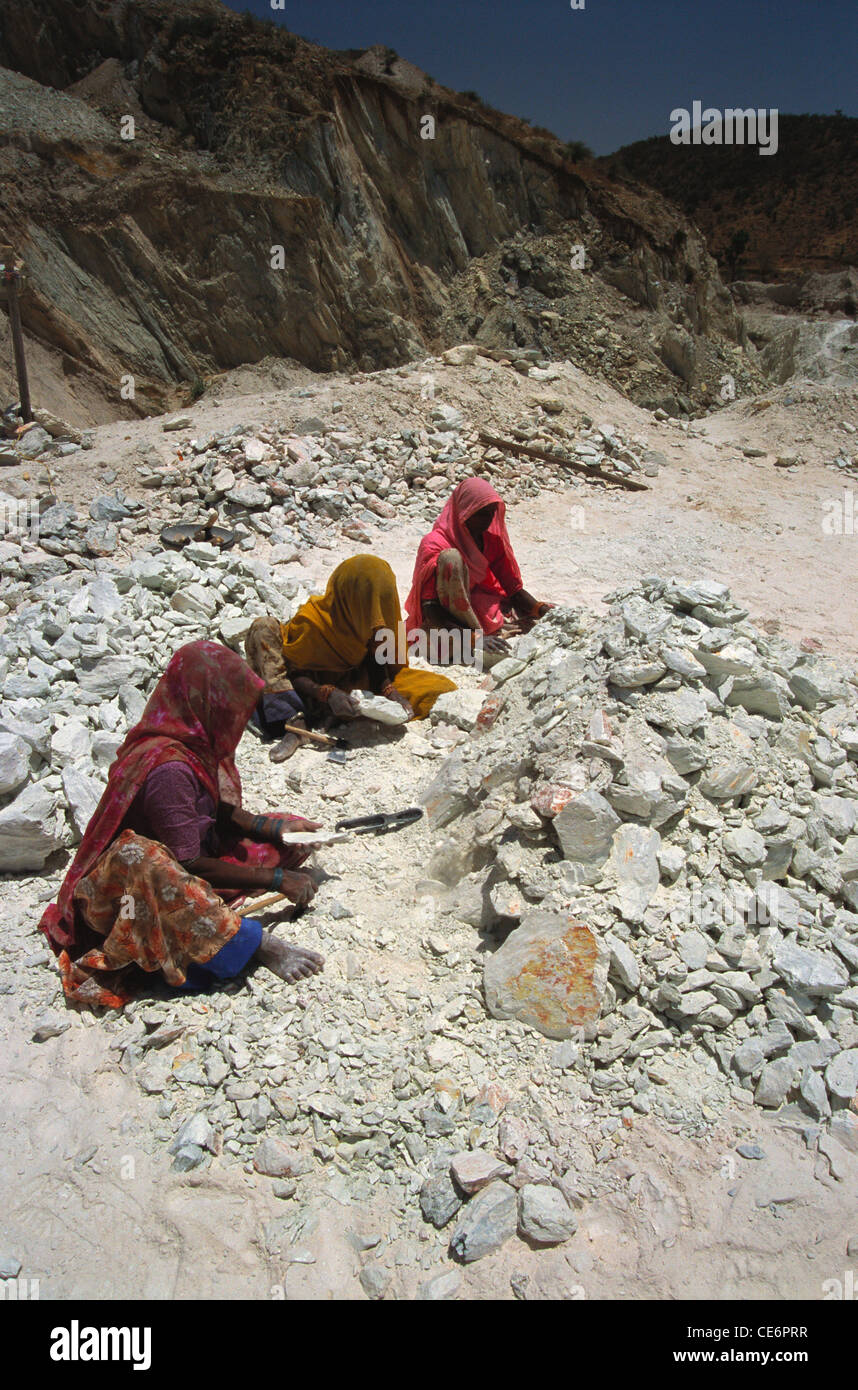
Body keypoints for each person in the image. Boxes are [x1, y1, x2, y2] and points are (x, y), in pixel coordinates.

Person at [39, 641, 324, 1009]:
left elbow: (214, 811)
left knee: (290, 834)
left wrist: (272, 829)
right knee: (153, 864)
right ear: (207, 700)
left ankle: (215, 901)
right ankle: (254, 946)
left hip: (180, 860)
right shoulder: (169, 768)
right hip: (129, 897)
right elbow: (186, 864)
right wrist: (276, 881)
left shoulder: (189, 741)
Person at [246, 555, 456, 761]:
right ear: (348, 595)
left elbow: (377, 658)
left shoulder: (374, 616)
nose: (376, 616)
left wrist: (389, 691)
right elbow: (292, 672)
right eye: (369, 606)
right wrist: (326, 694)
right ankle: (294, 723)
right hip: (296, 685)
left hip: (345, 680)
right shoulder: (314, 621)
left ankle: (325, 714)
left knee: (435, 688)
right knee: (263, 629)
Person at [404, 477, 554, 664]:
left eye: (491, 513)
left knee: (526, 617)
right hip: (444, 619)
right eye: (481, 514)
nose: (487, 520)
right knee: (451, 559)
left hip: (479, 607)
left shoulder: (490, 541)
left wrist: (542, 610)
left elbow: (512, 588)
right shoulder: (434, 544)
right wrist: (474, 638)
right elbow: (430, 608)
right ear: (464, 512)